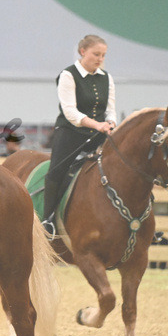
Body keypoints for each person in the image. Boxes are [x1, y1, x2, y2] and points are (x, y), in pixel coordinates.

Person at [41, 34, 117, 239]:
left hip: (99, 133)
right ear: (83, 52)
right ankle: (47, 220)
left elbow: (110, 110)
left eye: (103, 55)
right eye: (96, 54)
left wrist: (111, 123)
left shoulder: (107, 78)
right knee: (57, 171)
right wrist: (98, 125)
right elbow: (70, 113)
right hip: (71, 132)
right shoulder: (68, 75)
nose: (100, 59)